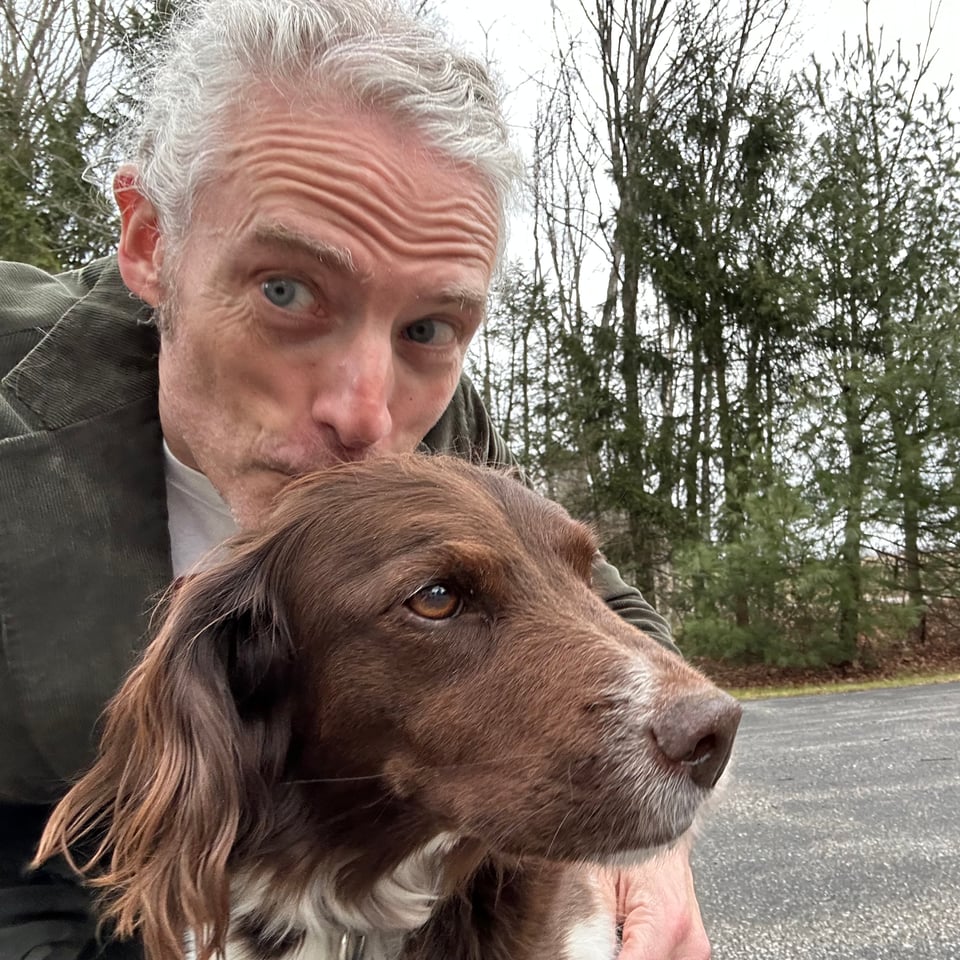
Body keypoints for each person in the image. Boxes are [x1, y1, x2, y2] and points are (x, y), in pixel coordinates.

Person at [0, 0, 711, 957]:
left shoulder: (437, 426)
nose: (367, 415)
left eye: (428, 327)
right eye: (287, 291)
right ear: (149, 242)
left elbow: (583, 598)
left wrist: (644, 823)